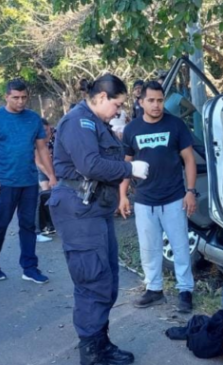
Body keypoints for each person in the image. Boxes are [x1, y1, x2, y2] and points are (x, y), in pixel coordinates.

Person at [51, 75, 150, 365]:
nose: (119, 111)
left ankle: (101, 342)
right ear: (103, 97)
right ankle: (91, 353)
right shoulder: (78, 122)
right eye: (117, 104)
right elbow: (90, 165)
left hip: (95, 209)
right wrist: (128, 169)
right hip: (79, 210)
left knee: (107, 279)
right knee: (92, 279)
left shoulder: (96, 123)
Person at [119, 80, 197, 313]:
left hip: (174, 197)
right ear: (141, 102)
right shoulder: (131, 129)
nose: (156, 105)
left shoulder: (176, 125)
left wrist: (190, 192)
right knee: (149, 248)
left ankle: (185, 291)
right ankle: (154, 289)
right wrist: (122, 195)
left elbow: (189, 160)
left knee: (180, 246)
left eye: (160, 100)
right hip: (144, 200)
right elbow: (126, 166)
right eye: (151, 101)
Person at [0, 78, 57, 283]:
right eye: (16, 98)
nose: (20, 102)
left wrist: (51, 176)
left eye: (24, 97)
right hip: (4, 183)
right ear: (6, 96)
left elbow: (41, 149)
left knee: (28, 225)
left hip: (29, 182)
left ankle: (29, 267)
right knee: (1, 224)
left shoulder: (33, 118)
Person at [35, 118, 56, 237]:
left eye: (46, 129)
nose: (45, 133)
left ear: (49, 126)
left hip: (58, 165)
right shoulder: (37, 138)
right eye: (41, 131)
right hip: (44, 168)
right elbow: (38, 162)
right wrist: (50, 175)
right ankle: (49, 222)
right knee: (46, 191)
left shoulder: (58, 134)